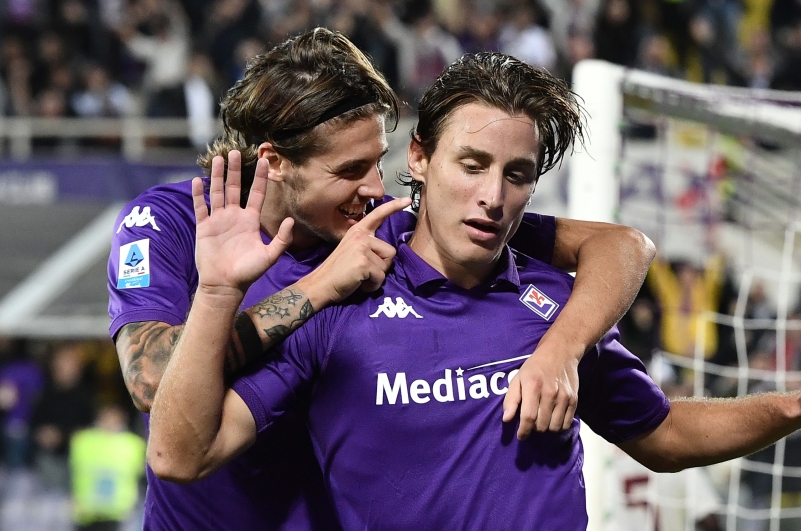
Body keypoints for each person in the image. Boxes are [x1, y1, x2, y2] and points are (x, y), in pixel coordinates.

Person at [147, 51, 801, 529]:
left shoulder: (557, 300)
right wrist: (215, 294)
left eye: (517, 174)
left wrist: (799, 406)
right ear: (421, 157)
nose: (493, 197)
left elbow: (661, 434)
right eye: (471, 164)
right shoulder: (343, 294)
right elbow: (183, 456)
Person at [108, 29, 657, 530]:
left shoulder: (390, 225)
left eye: (376, 159)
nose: (374, 186)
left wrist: (560, 347)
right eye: (349, 171)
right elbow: (151, 382)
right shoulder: (175, 225)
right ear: (275, 162)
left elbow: (617, 245)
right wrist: (315, 289)